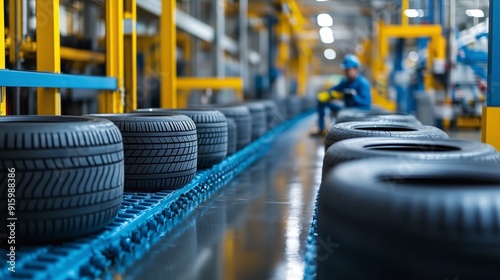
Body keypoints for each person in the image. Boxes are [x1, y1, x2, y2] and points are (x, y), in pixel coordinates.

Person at [310, 54, 372, 136]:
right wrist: (329, 95)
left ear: (355, 69)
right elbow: (333, 90)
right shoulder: (345, 82)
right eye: (345, 70)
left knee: (342, 112)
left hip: (359, 111)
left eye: (348, 70)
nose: (346, 72)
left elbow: (366, 104)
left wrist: (354, 96)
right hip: (346, 108)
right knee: (322, 101)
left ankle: (339, 128)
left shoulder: (363, 83)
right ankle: (321, 128)